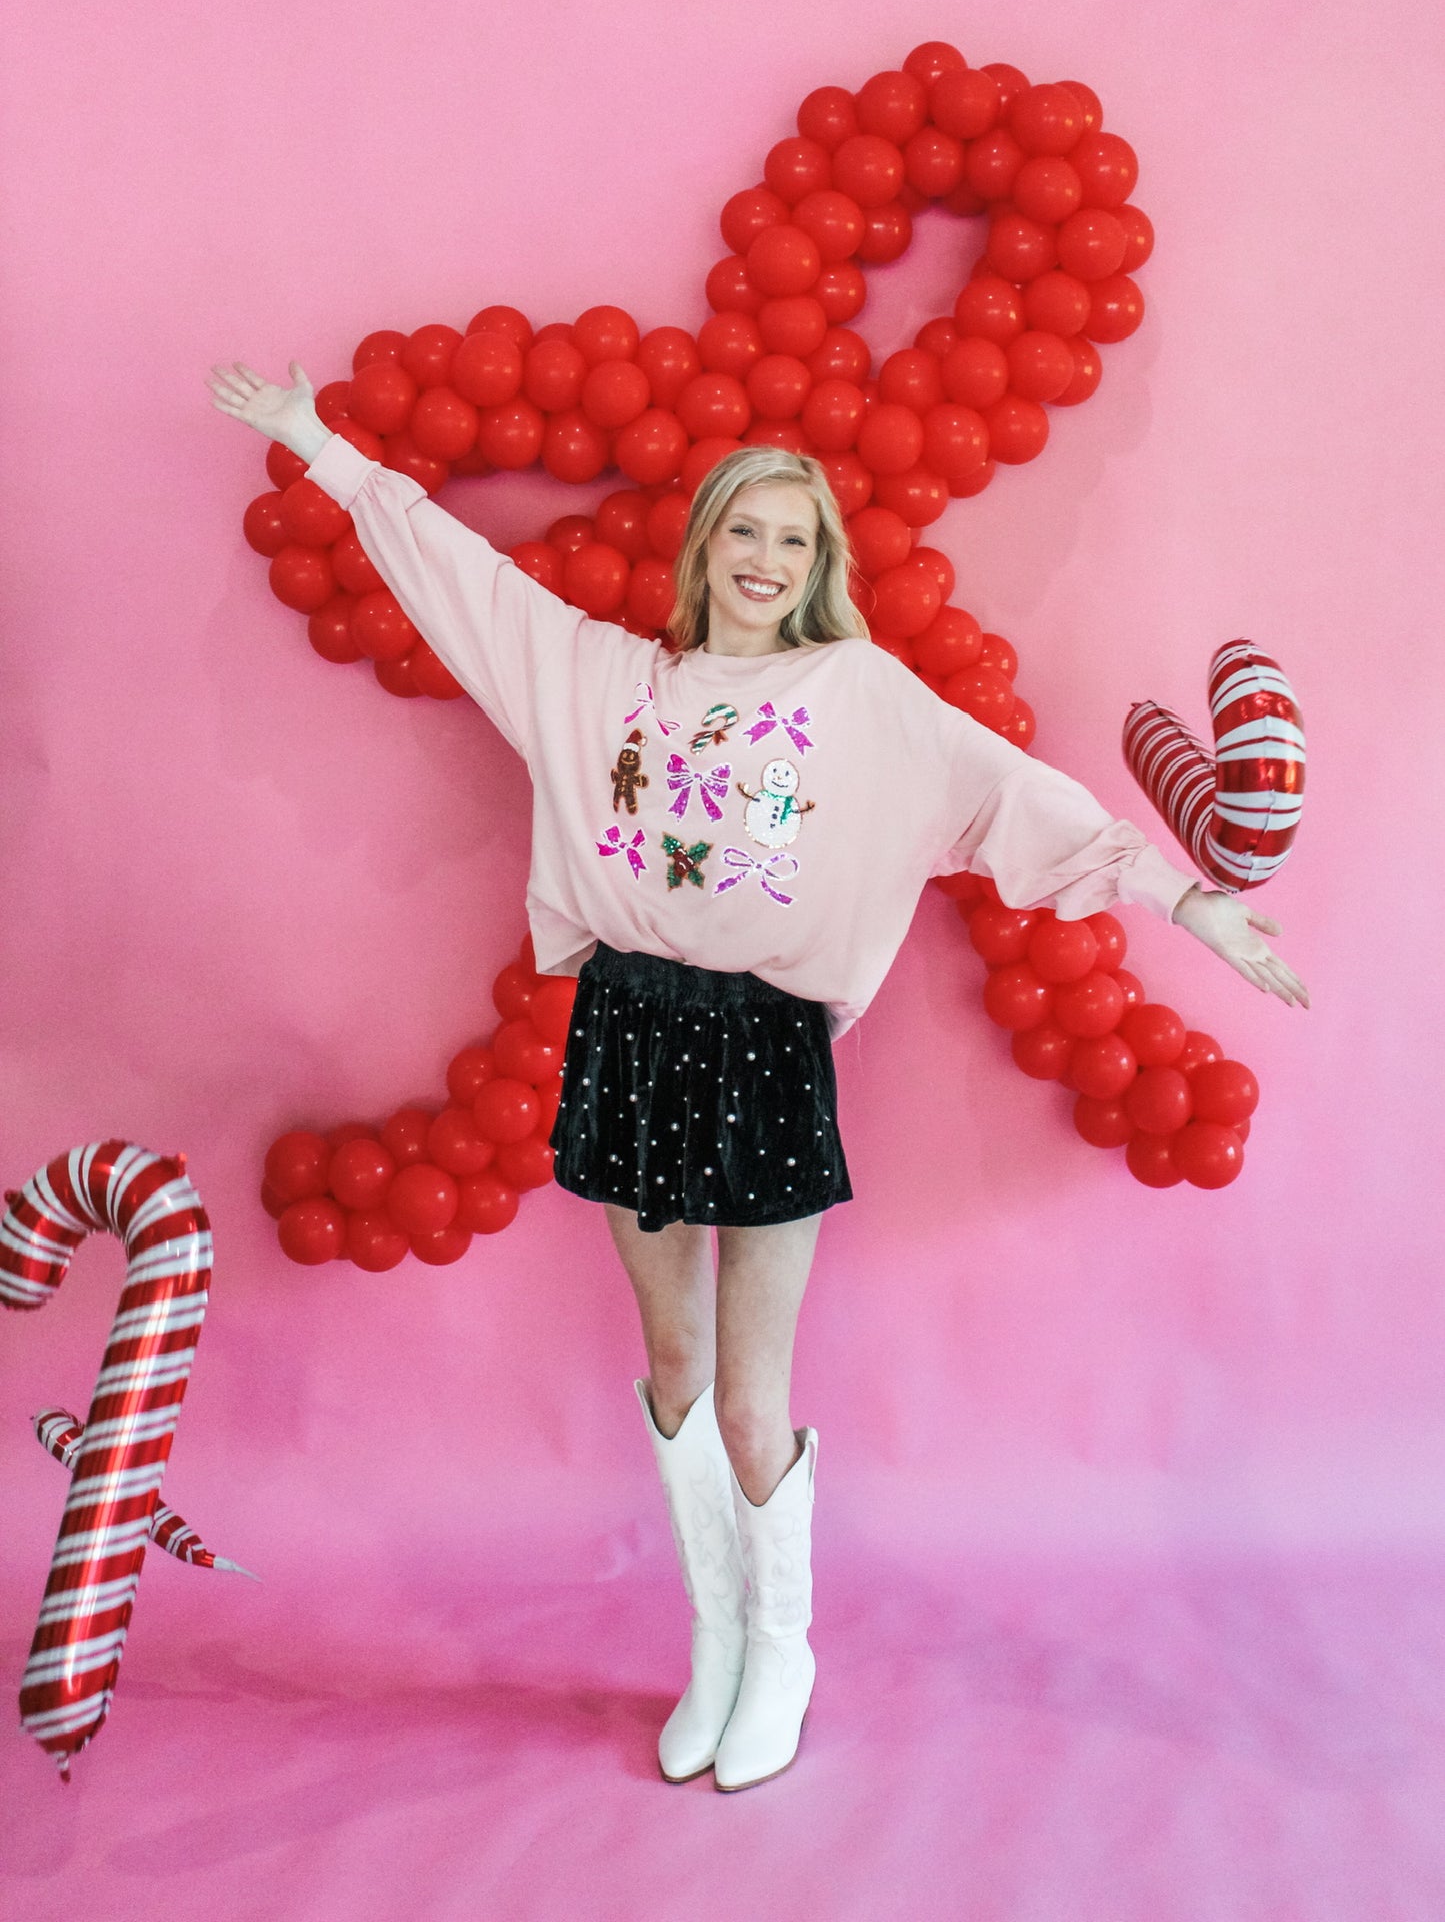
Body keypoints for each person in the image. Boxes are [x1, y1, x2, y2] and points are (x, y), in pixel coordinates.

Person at [207, 357, 1309, 1791]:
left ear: (816, 568)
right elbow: (460, 579)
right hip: (627, 1027)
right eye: (745, 530)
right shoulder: (604, 678)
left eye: (792, 539)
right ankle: (715, 1639)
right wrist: (317, 446)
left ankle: (781, 1647)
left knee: (745, 1387)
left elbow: (1009, 799)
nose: (764, 559)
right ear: (706, 547)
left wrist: (1186, 905)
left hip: (765, 1047)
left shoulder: (859, 692)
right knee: (667, 1364)